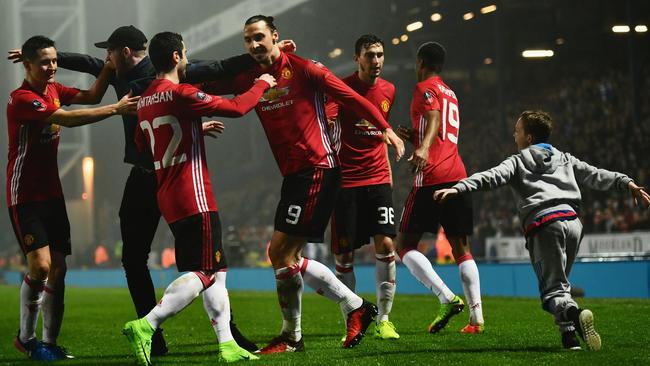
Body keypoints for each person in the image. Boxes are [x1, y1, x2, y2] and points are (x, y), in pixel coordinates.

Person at [7, 24, 290, 354]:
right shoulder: (122, 72)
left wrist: (264, 55)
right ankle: (154, 336)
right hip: (147, 175)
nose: (106, 58)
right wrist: (41, 57)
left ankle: (222, 333)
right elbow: (87, 62)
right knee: (139, 258)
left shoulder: (169, 71)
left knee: (200, 261)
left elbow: (219, 67)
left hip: (166, 175)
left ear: (125, 52)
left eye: (110, 51)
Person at [202, 15, 404, 353]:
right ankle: (338, 314)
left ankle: (305, 330)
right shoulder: (251, 77)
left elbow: (352, 98)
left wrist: (386, 128)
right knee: (285, 256)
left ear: (275, 37)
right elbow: (206, 86)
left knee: (280, 251)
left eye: (260, 38)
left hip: (318, 167)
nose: (254, 45)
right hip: (295, 175)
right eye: (248, 40)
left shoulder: (304, 69)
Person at [434, 110, 650, 350]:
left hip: (544, 224)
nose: (514, 135)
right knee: (561, 285)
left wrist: (459, 188)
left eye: (517, 131)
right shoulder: (565, 158)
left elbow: (491, 177)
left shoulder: (517, 161)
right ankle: (569, 340)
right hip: (573, 224)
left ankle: (575, 314)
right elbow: (594, 174)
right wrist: (626, 182)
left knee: (551, 294)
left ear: (528, 137)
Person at [122, 31, 276, 365]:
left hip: (167, 193)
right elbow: (237, 107)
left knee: (217, 269)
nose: (188, 58)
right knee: (206, 270)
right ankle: (147, 325)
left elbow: (143, 146)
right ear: (176, 57)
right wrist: (262, 82)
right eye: (186, 53)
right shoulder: (182, 92)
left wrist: (190, 130)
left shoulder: (146, 98)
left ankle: (227, 343)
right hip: (193, 195)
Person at [8, 35, 138, 361]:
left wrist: (108, 69)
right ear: (27, 65)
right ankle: (26, 338)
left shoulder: (54, 90)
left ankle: (50, 343)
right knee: (40, 266)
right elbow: (65, 118)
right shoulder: (22, 99)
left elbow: (92, 93)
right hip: (25, 195)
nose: (52, 67)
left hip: (53, 195)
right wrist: (116, 109)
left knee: (59, 271)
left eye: (54, 60)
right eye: (44, 62)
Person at [395, 41, 484, 334]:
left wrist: (422, 150)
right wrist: (416, 140)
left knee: (404, 245)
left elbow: (433, 119)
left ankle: (446, 297)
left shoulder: (425, 88)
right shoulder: (451, 92)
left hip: (432, 177)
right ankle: (477, 319)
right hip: (458, 174)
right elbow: (442, 130)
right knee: (462, 247)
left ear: (420, 61)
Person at [326, 34, 399, 340]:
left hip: (378, 178)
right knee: (344, 257)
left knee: (386, 246)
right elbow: (328, 122)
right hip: (347, 182)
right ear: (357, 58)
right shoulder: (341, 89)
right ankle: (352, 318)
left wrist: (389, 173)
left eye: (380, 55)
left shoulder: (389, 90)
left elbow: (381, 130)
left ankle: (383, 319)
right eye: (370, 55)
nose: (376, 61)